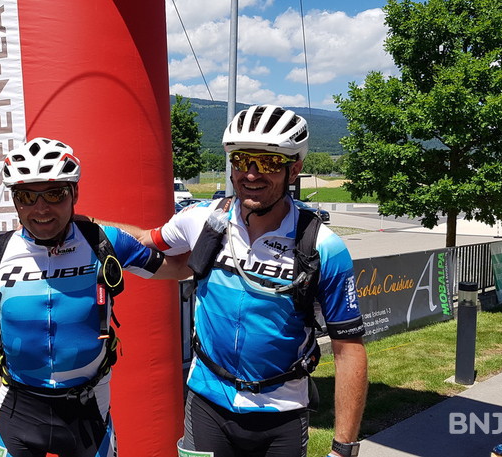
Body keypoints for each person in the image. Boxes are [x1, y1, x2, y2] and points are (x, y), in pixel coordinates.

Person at [104, 105, 368, 457]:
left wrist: (343, 448)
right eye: (242, 160)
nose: (253, 173)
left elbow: (348, 349)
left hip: (282, 413)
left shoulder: (322, 247)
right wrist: (81, 225)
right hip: (207, 402)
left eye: (270, 162)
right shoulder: (202, 220)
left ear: (295, 170)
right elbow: (145, 241)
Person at [0, 137, 186, 457]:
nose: (41, 208)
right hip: (18, 411)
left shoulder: (106, 242)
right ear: (15, 201)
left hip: (88, 413)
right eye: (26, 196)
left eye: (55, 193)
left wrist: (222, 225)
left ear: (74, 193)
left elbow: (181, 269)